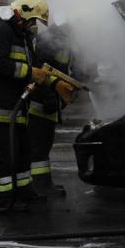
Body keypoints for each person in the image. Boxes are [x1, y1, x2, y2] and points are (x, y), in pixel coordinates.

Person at [0, 0, 61, 211]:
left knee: (24, 150)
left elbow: (32, 65)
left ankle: (24, 192)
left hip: (16, 106)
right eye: (33, 20)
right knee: (6, 154)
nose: (34, 26)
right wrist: (30, 72)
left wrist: (47, 81)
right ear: (21, 14)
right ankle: (3, 199)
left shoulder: (21, 36)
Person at [27, 24, 79, 197]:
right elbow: (42, 72)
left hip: (49, 101)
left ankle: (44, 184)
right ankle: (41, 186)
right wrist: (49, 96)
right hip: (39, 103)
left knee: (44, 144)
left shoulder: (64, 39)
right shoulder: (49, 41)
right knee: (39, 146)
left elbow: (63, 69)